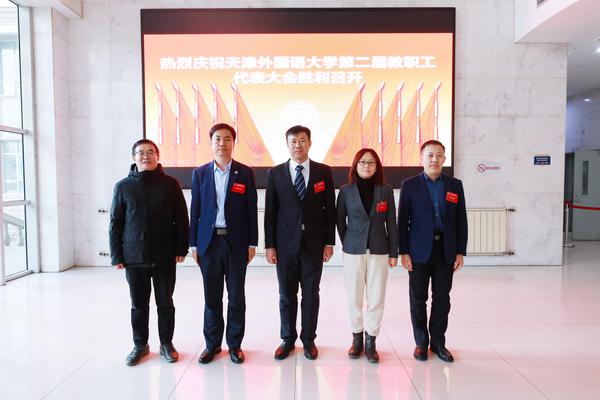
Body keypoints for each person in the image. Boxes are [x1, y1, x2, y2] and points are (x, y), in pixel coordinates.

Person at [109, 139, 189, 366]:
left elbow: (182, 218)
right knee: (138, 305)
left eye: (150, 152)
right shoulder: (123, 186)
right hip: (134, 256)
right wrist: (116, 255)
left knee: (165, 303)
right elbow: (115, 222)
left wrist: (181, 248)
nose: (146, 156)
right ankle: (140, 345)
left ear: (158, 155)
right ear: (134, 157)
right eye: (141, 153)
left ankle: (166, 344)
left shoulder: (171, 184)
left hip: (164, 255)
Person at [264, 125, 336, 361]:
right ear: (287, 145)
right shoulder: (275, 173)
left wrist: (329, 242)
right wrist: (270, 245)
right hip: (285, 245)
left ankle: (308, 339)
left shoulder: (323, 172)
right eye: (293, 141)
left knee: (311, 294)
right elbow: (270, 211)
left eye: (302, 140)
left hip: (314, 244)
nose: (298, 145)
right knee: (286, 294)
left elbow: (330, 210)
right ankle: (287, 338)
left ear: (310, 143)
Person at [189, 123, 258, 365]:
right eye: (217, 139)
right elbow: (195, 210)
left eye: (227, 138)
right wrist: (194, 244)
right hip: (209, 245)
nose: (222, 143)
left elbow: (251, 210)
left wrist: (252, 243)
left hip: (236, 243)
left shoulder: (245, 173)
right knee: (212, 297)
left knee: (236, 297)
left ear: (233, 142)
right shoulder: (200, 173)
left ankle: (235, 345)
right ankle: (212, 345)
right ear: (211, 143)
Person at [397, 140, 468, 363]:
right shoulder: (410, 185)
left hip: (445, 250)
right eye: (430, 155)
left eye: (439, 155)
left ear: (444, 159)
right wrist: (404, 251)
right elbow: (402, 221)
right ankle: (421, 343)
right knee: (418, 298)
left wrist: (460, 251)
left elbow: (461, 220)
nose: (434, 159)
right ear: (421, 159)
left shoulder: (455, 185)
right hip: (418, 251)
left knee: (442, 298)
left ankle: (438, 343)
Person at [336, 148, 398, 363]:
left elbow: (391, 222)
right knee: (354, 297)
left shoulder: (385, 190)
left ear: (377, 166)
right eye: (362, 162)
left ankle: (371, 341)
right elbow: (340, 221)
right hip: (353, 250)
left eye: (371, 163)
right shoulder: (345, 191)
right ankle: (357, 339)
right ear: (355, 165)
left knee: (376, 297)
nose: (367, 166)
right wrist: (348, 242)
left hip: (379, 250)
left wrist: (393, 252)